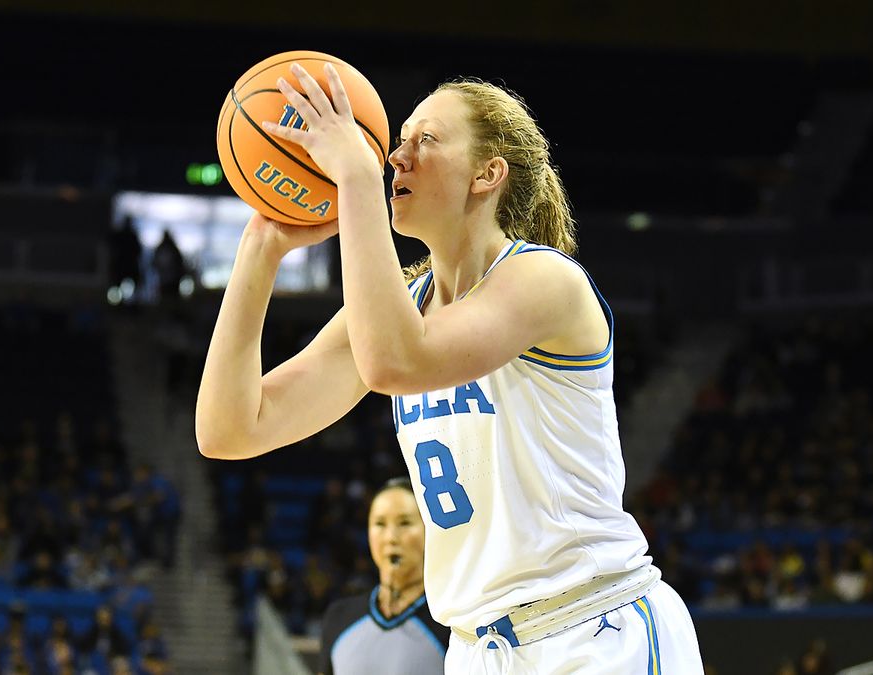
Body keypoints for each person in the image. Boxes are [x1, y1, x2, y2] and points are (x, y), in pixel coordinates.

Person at [196, 65, 703, 673]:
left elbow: (395, 362)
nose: (393, 158)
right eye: (397, 140)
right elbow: (229, 429)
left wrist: (355, 178)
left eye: (426, 140)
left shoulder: (544, 280)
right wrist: (262, 247)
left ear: (487, 174)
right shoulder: (401, 309)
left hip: (591, 628)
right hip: (476, 647)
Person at [319, 477, 449, 675]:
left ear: (429, 529)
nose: (391, 538)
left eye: (404, 523)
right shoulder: (338, 617)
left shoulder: (452, 623)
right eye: (380, 524)